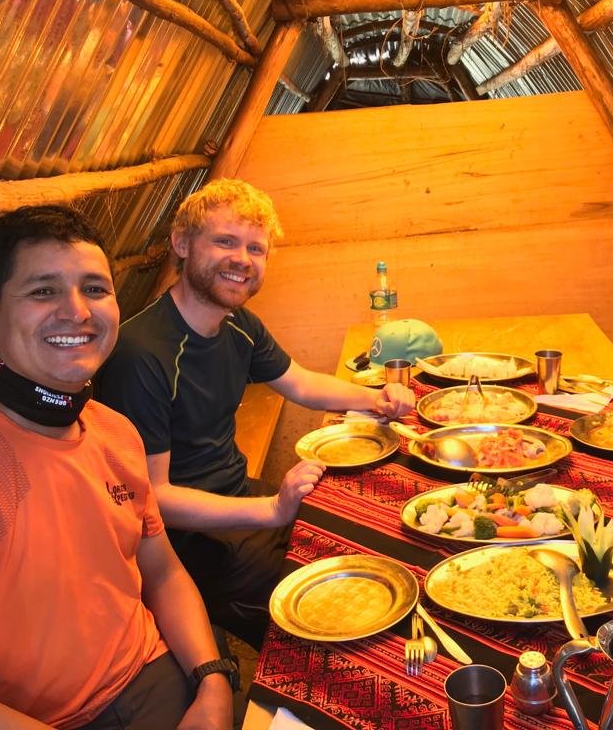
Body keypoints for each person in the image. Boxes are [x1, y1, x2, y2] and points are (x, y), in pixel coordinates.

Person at [0, 206, 233, 729]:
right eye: (43, 292)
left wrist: (214, 681)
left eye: (94, 288)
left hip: (153, 670)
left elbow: (163, 570)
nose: (77, 312)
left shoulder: (112, 429)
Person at [94, 179, 416, 649]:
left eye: (255, 249)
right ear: (181, 244)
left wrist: (378, 399)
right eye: (224, 241)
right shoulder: (142, 354)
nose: (242, 259)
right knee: (346, 619)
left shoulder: (238, 324)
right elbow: (153, 498)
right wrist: (271, 510)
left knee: (372, 540)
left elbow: (300, 382)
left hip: (240, 498)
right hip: (186, 543)